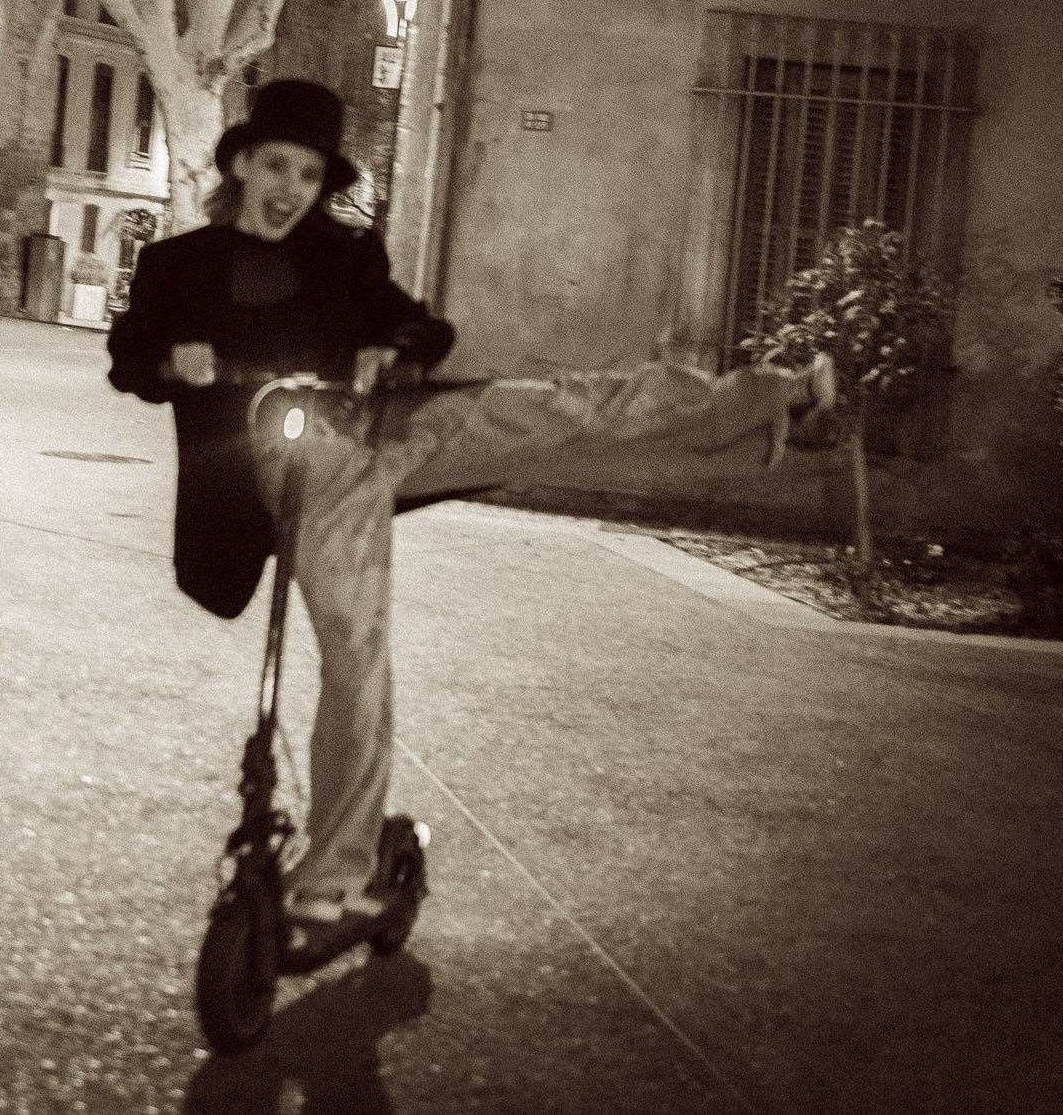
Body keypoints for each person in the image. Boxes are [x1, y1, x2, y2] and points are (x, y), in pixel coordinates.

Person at [108, 79, 833, 958]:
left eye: (307, 174)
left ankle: (765, 397)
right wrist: (171, 356)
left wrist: (390, 348)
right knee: (355, 657)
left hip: (379, 431)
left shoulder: (344, 254)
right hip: (278, 474)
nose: (290, 188)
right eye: (276, 166)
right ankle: (335, 876)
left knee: (558, 406)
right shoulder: (179, 265)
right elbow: (128, 356)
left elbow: (421, 327)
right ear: (242, 166)